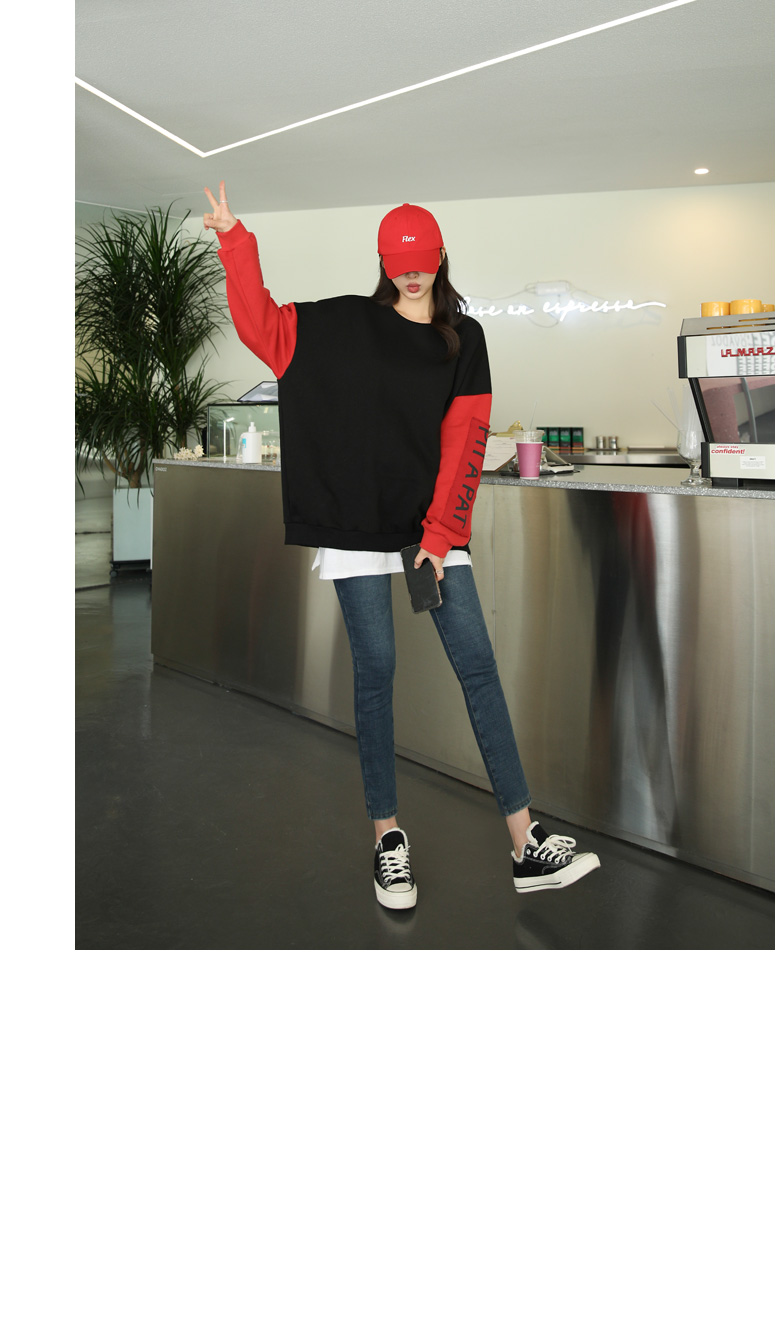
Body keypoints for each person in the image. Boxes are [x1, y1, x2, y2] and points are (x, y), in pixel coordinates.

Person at [203, 181, 601, 910]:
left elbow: (466, 439)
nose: (412, 275)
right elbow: (263, 327)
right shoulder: (345, 323)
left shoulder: (464, 339)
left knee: (477, 667)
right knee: (377, 670)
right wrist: (236, 242)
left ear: (441, 257)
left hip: (429, 530)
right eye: (398, 264)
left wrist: (441, 535)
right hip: (357, 524)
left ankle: (525, 842)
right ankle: (388, 838)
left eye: (422, 262)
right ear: (384, 262)